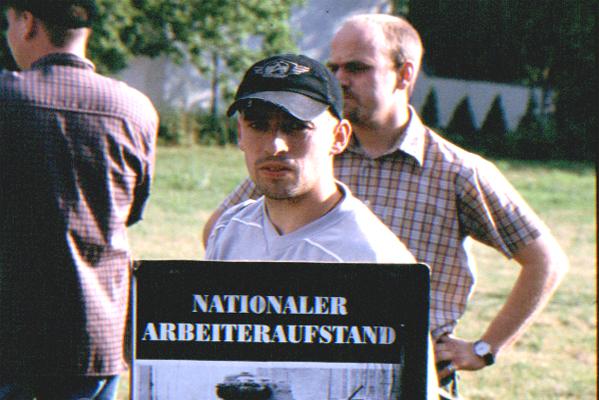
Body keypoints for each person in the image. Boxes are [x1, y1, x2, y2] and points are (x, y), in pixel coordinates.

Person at [202, 14, 568, 398]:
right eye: (335, 67)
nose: (342, 79)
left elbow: (546, 260)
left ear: (404, 74)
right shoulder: (299, 162)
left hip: (400, 370)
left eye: (357, 68)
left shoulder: (455, 170)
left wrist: (484, 348)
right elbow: (226, 228)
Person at [205, 54, 438, 399]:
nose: (275, 145)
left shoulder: (377, 260)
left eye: (297, 126)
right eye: (257, 124)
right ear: (240, 133)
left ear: (339, 136)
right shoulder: (231, 228)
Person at [0, 1, 158, 399]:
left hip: (13, 336)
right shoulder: (135, 109)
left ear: (27, 23)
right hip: (96, 334)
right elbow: (130, 213)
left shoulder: (6, 98)